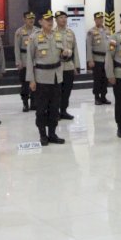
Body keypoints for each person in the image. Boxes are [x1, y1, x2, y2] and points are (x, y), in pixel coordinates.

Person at [26, 11, 66, 146]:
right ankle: (43, 134)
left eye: (51, 19)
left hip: (56, 77)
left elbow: (62, 56)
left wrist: (66, 54)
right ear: (41, 22)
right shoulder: (34, 37)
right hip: (41, 78)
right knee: (41, 108)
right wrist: (31, 79)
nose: (50, 22)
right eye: (47, 20)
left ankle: (52, 133)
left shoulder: (58, 36)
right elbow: (29, 60)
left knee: (55, 108)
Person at [55, 11, 80, 120]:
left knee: (67, 90)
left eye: (65, 17)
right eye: (61, 17)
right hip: (57, 66)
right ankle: (55, 112)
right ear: (56, 20)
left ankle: (64, 111)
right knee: (57, 91)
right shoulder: (52, 32)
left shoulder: (70, 32)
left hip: (69, 66)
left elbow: (75, 49)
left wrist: (76, 65)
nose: (64, 19)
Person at [86, 11, 111, 105]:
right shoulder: (91, 31)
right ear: (95, 20)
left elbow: (110, 44)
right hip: (96, 59)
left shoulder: (107, 30)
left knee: (105, 79)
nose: (100, 20)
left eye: (101, 18)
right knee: (97, 79)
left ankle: (104, 97)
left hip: (107, 58)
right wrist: (90, 60)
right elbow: (89, 46)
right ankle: (97, 97)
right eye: (98, 18)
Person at [14, 11, 37, 112]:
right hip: (24, 60)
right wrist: (18, 62)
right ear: (24, 19)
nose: (31, 20)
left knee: (35, 82)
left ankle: (34, 103)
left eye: (33, 18)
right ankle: (25, 103)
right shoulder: (19, 32)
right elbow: (17, 48)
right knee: (24, 84)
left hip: (35, 61)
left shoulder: (38, 31)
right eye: (29, 18)